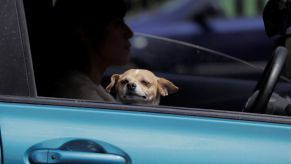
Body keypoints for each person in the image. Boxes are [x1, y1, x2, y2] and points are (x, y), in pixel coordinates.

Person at [45, 0, 133, 102]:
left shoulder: (86, 86)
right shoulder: (79, 93)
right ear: (85, 32)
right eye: (117, 24)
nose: (129, 33)